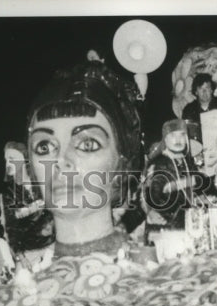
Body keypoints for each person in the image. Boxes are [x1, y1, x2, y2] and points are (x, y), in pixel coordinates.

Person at [24, 59, 143, 256]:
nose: (61, 160)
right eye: (44, 147)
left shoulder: (155, 278)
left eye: (87, 145)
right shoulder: (21, 284)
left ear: (123, 161)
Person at [142, 118, 207, 233]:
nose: (178, 140)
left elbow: (194, 191)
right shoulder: (158, 163)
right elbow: (151, 196)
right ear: (165, 139)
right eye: (173, 135)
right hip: (164, 228)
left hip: (188, 223)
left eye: (182, 135)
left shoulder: (187, 161)